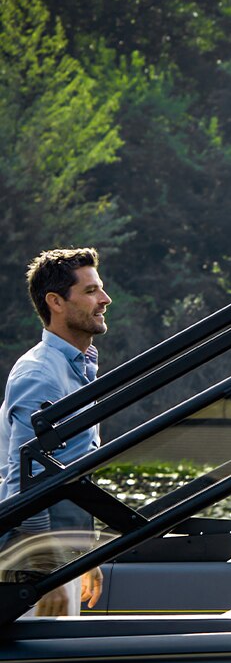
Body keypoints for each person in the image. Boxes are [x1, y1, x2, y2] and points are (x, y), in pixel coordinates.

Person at [0, 248, 111, 615]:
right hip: (30, 564)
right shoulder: (40, 375)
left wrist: (83, 552)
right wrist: (44, 570)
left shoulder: (79, 368)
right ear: (55, 302)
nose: (104, 299)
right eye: (91, 291)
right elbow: (24, 479)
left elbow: (71, 465)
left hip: (59, 556)